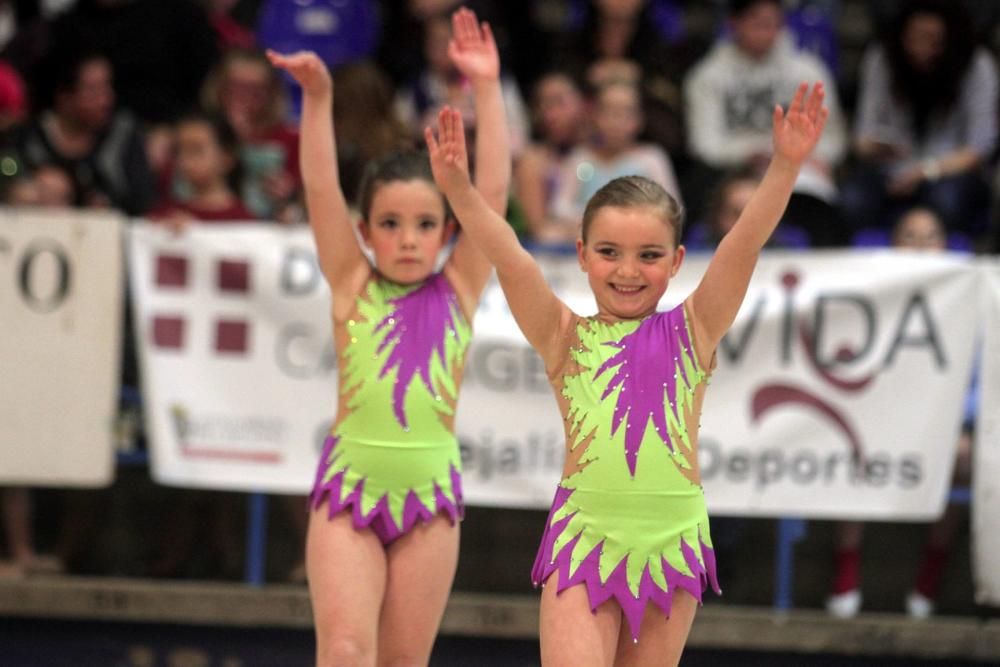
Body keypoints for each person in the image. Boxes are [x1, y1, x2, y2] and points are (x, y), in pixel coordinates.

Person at [427, 80, 828, 664]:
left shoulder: (694, 331)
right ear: (583, 254)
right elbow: (510, 256)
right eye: (610, 252)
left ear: (677, 261)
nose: (628, 271)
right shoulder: (563, 336)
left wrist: (785, 166)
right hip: (584, 539)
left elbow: (743, 245)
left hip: (672, 543)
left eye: (648, 255)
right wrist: (460, 193)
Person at [267, 7, 510, 665]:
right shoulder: (352, 281)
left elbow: (492, 191)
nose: (407, 237)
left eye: (425, 223)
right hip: (350, 491)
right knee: (346, 650)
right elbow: (320, 184)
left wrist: (486, 86)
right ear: (366, 231)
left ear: (447, 232)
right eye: (392, 223)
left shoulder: (458, 287)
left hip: (428, 501)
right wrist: (318, 100)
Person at [826, 205, 974, 620]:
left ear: (945, 245)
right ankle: (846, 566)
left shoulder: (968, 297)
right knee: (848, 443)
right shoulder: (870, 296)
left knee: (964, 455)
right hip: (878, 415)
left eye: (930, 237)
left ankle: (931, 571)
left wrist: (944, 413)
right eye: (910, 236)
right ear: (894, 243)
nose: (921, 246)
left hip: (944, 421)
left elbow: (978, 377)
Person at [683, 0, 846, 245]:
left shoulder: (809, 72)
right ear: (733, 24)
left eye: (773, 24)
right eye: (758, 24)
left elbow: (833, 139)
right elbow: (704, 144)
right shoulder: (707, 76)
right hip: (730, 169)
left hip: (800, 169)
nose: (767, 32)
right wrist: (751, 153)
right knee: (709, 190)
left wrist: (802, 156)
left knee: (824, 206)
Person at [841, 0, 998, 237]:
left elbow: (978, 150)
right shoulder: (882, 58)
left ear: (950, 38)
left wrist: (925, 171)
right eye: (914, 38)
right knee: (852, 200)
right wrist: (879, 147)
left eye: (933, 41)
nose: (921, 49)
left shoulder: (977, 65)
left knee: (948, 201)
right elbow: (860, 139)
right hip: (890, 169)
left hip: (948, 172)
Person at [549, 77, 682, 243]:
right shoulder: (580, 158)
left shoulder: (651, 158)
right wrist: (597, 221)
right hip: (586, 235)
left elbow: (671, 208)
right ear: (595, 116)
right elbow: (560, 207)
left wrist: (630, 220)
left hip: (638, 236)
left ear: (639, 119)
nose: (616, 121)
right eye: (608, 111)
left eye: (625, 113)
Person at [149, 112, 255, 228]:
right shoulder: (166, 214)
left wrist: (198, 231)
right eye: (179, 151)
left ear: (226, 158)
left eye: (196, 150)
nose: (185, 160)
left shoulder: (245, 222)